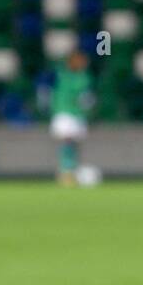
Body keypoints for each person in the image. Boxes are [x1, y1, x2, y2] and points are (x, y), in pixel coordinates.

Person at [49, 49, 93, 186]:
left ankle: (70, 170)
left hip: (76, 115)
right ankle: (66, 171)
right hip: (65, 114)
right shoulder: (64, 75)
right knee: (67, 142)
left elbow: (85, 99)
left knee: (73, 144)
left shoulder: (83, 77)